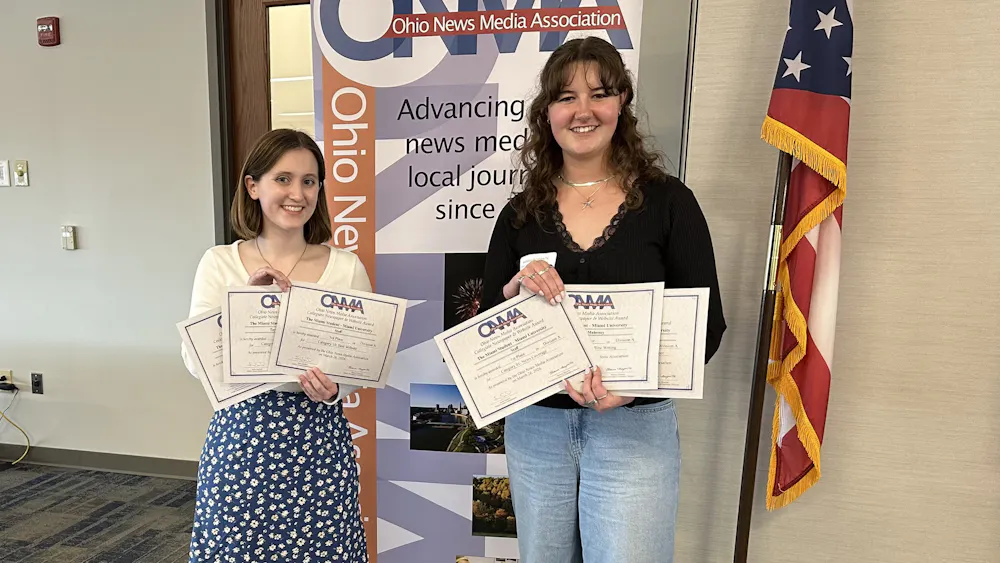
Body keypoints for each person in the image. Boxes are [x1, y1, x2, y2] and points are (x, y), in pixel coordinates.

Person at [480, 37, 727, 562]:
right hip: (537, 430)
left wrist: (634, 390)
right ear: (547, 112)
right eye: (566, 97)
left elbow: (706, 324)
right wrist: (513, 295)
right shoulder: (520, 214)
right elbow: (487, 326)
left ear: (622, 104)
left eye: (600, 93)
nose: (583, 110)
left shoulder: (668, 202)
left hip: (633, 432)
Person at [180, 128, 370, 562]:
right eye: (282, 179)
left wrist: (337, 388)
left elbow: (358, 363)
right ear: (253, 186)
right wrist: (248, 303)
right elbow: (196, 359)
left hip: (318, 442)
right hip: (240, 438)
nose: (297, 193)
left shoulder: (346, 268)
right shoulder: (219, 263)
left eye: (309, 181)